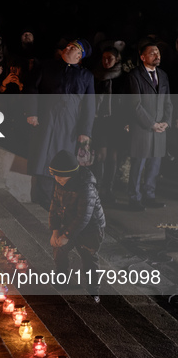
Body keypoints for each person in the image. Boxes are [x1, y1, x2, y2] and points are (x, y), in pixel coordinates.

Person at [26, 38, 95, 210]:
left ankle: (60, 202)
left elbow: (89, 105)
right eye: (68, 45)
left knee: (63, 159)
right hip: (47, 117)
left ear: (80, 55)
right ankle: (43, 199)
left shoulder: (86, 76)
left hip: (70, 123)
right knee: (43, 155)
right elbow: (32, 88)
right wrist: (32, 112)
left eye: (73, 47)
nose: (67, 48)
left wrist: (85, 131)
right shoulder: (46, 66)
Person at [48, 150, 106, 302]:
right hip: (69, 224)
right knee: (58, 249)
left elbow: (84, 217)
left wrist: (66, 235)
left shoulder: (86, 186)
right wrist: (55, 231)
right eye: (55, 175)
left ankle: (94, 292)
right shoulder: (60, 182)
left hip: (91, 229)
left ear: (71, 173)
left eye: (60, 175)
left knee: (89, 259)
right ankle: (61, 280)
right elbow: (54, 206)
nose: (57, 179)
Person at [126, 41, 173, 211]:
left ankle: (149, 195)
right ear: (142, 56)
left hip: (160, 127)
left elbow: (168, 101)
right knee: (139, 163)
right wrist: (151, 124)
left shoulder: (163, 75)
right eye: (152, 53)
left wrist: (166, 122)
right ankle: (134, 198)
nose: (157, 56)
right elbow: (135, 104)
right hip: (143, 127)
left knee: (155, 163)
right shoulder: (135, 76)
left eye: (158, 53)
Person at [91, 46, 128, 204]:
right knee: (100, 156)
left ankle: (108, 190)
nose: (106, 61)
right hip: (100, 120)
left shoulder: (123, 77)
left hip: (116, 121)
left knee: (113, 157)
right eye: (104, 57)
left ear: (117, 59)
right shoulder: (96, 75)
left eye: (110, 58)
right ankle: (96, 189)